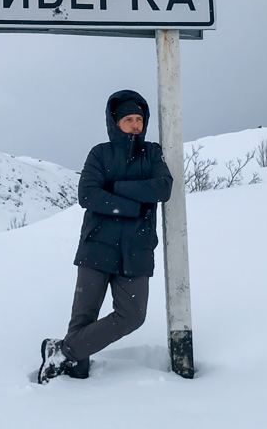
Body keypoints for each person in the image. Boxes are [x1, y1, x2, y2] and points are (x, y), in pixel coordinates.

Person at [38, 90, 173, 384]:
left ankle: (63, 351)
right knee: (83, 318)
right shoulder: (100, 153)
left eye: (139, 119)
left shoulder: (152, 153)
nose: (135, 125)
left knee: (133, 315)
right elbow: (88, 194)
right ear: (115, 123)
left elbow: (163, 188)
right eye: (128, 119)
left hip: (137, 250)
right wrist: (135, 204)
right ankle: (73, 368)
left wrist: (119, 188)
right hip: (97, 246)